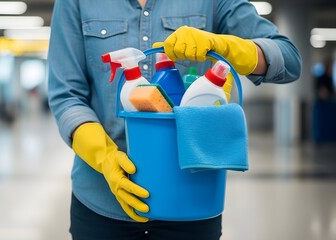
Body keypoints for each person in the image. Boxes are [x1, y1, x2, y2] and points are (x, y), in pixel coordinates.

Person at [48, 0, 302, 239]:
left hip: (192, 199)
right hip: (100, 203)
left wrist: (225, 46)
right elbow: (66, 96)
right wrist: (104, 158)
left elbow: (288, 60)